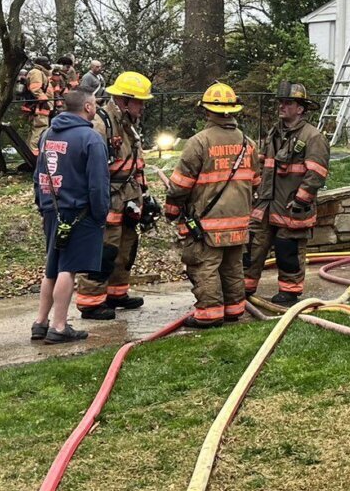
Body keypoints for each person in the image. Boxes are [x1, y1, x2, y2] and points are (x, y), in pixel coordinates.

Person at [164, 82, 259, 328]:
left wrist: (171, 211)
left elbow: (180, 186)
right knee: (232, 267)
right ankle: (234, 309)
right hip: (239, 221)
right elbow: (256, 181)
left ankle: (209, 313)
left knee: (204, 266)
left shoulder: (199, 142)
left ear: (207, 111)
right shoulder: (248, 143)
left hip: (207, 224)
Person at [32, 87, 110, 344]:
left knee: (52, 268)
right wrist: (100, 214)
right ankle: (59, 326)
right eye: (94, 103)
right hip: (79, 212)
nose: (96, 107)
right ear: (87, 107)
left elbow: (38, 174)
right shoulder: (91, 139)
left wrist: (42, 203)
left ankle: (40, 323)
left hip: (51, 209)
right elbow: (98, 183)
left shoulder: (47, 134)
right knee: (68, 268)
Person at [75, 70, 153, 320]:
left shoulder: (128, 125)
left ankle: (116, 293)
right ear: (124, 100)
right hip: (107, 199)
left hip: (128, 199)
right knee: (103, 251)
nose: (143, 107)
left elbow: (136, 163)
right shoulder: (100, 124)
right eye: (139, 102)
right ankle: (90, 302)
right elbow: (88, 168)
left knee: (125, 249)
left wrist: (144, 196)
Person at [246, 80, 331, 306]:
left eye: (287, 103)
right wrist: (255, 191)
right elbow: (262, 164)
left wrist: (300, 201)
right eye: (280, 102)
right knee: (252, 246)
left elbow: (316, 174)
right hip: (266, 205)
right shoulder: (274, 133)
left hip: (291, 207)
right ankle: (243, 288)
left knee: (288, 250)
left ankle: (289, 292)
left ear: (300, 108)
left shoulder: (312, 137)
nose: (281, 106)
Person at [22, 56, 53, 150]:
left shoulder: (41, 73)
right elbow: (35, 88)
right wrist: (44, 101)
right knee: (40, 129)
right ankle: (35, 153)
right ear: (42, 63)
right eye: (47, 62)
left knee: (38, 130)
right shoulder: (36, 72)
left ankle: (31, 151)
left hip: (40, 106)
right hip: (38, 106)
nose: (49, 64)